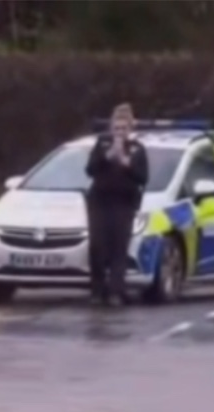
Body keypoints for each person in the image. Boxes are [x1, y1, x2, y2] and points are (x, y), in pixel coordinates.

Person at [83, 102, 149, 306]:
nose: (119, 133)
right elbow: (90, 170)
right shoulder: (102, 144)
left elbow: (143, 177)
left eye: (123, 128)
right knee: (97, 247)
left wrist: (127, 163)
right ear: (111, 127)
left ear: (130, 128)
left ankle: (115, 292)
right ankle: (97, 290)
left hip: (124, 203)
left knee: (119, 248)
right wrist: (107, 156)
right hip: (100, 202)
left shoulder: (138, 149)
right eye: (116, 128)